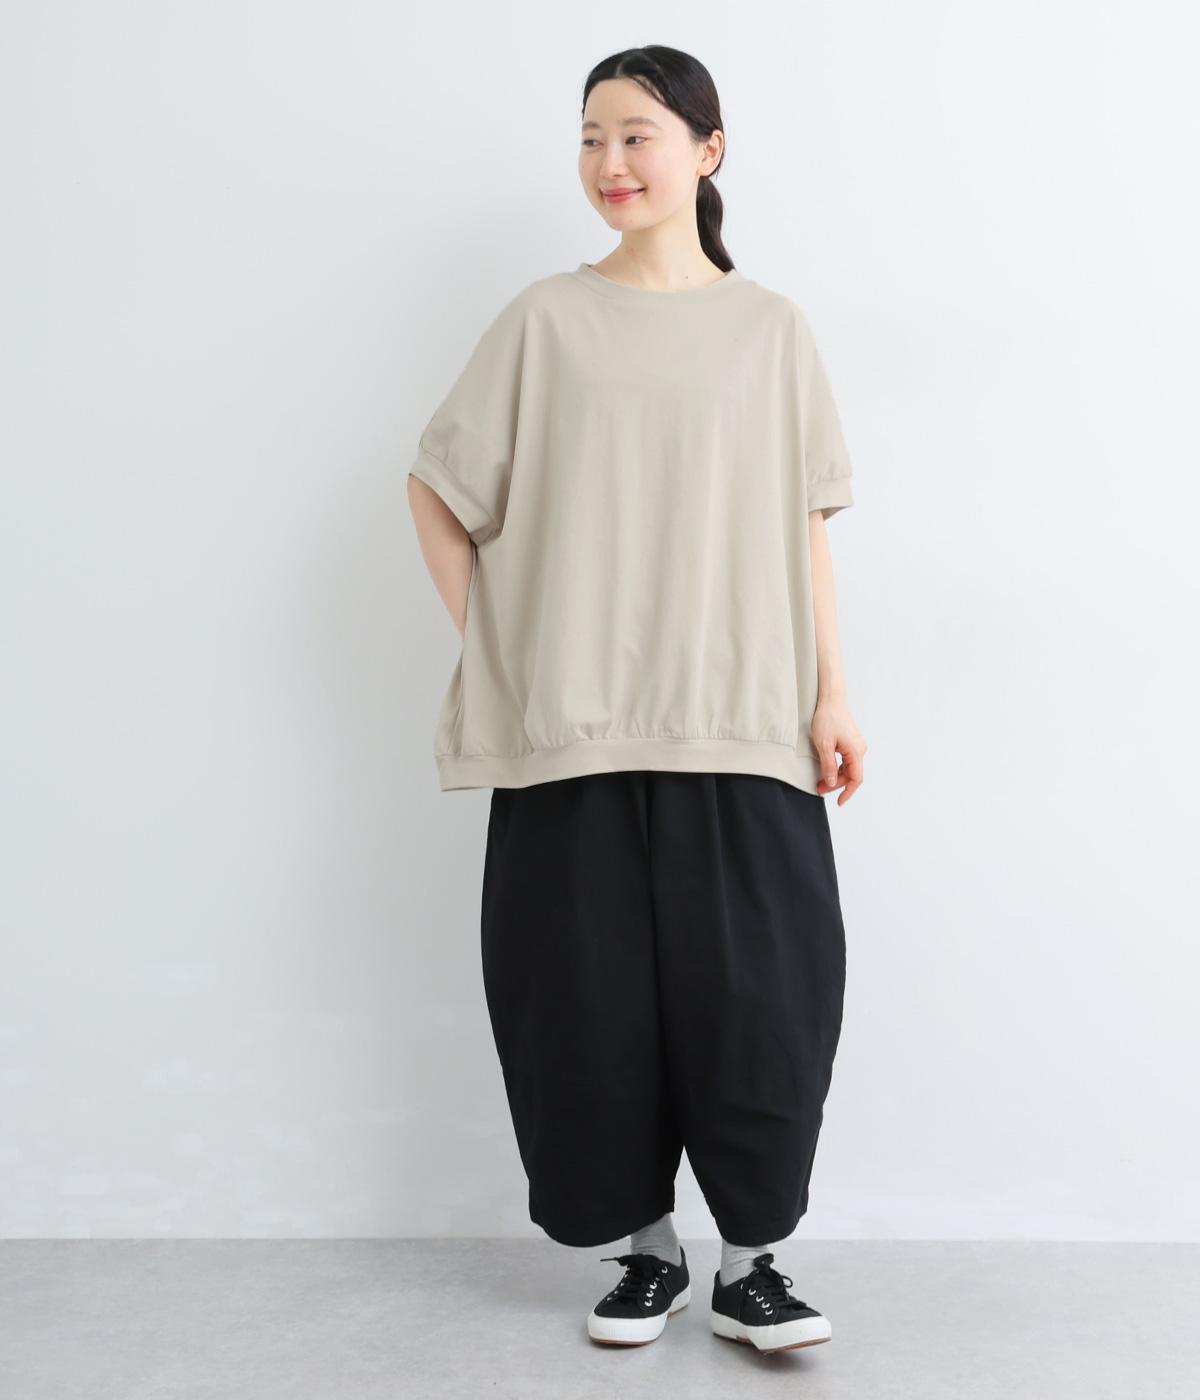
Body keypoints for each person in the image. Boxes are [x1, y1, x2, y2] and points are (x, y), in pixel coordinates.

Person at [408, 45, 867, 1357]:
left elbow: (805, 524)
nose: (610, 163)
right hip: (574, 737)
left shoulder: (770, 328)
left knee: (766, 1008)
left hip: (745, 719)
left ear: (708, 150)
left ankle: (753, 1267)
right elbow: (437, 488)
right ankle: (648, 1255)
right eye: (591, 137)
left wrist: (835, 693)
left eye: (638, 135)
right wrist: (506, 649)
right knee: (584, 1008)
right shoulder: (546, 320)